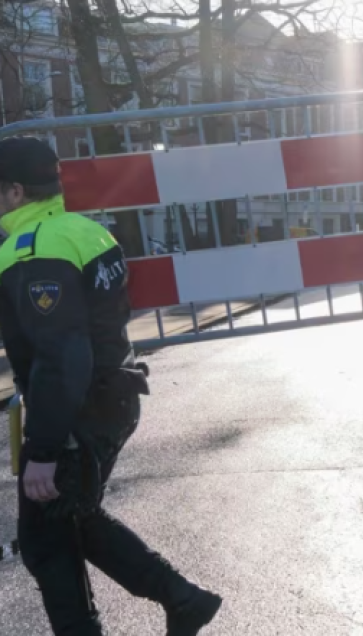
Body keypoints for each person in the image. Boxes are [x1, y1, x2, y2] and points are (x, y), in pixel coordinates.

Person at [0, 136, 222, 635]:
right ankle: (182, 600)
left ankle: (180, 598)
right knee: (72, 521)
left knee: (45, 541)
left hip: (80, 408)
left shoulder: (31, 250)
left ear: (15, 191)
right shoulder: (83, 232)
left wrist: (45, 448)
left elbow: (62, 353)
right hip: (110, 396)